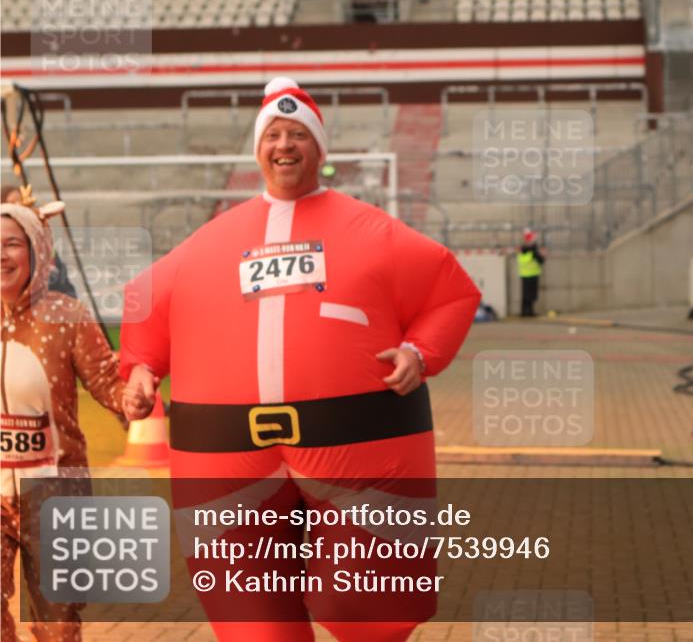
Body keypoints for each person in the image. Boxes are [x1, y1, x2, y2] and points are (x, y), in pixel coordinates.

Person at [120, 77, 480, 642]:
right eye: (273, 135)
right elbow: (149, 302)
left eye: (296, 135)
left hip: (355, 446)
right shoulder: (213, 241)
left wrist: (419, 352)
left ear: (318, 148)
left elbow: (451, 291)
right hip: (229, 460)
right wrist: (140, 368)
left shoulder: (372, 232)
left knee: (363, 610)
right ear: (258, 149)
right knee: (252, 617)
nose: (284, 145)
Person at [1, 199, 135, 642]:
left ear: (36, 251)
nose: (2, 255)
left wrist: (131, 399)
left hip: (56, 491)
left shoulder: (66, 316)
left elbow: (107, 381)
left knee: (56, 621)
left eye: (12, 244)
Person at [3, 185, 77, 298]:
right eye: (12, 204)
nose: (19, 208)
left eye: (21, 202)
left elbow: (66, 287)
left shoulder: (43, 246)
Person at [517, 228, 545, 317]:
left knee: (525, 295)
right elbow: (541, 260)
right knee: (531, 294)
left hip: (524, 274)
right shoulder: (533, 252)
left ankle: (524, 312)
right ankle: (530, 312)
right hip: (532, 274)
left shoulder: (522, 251)